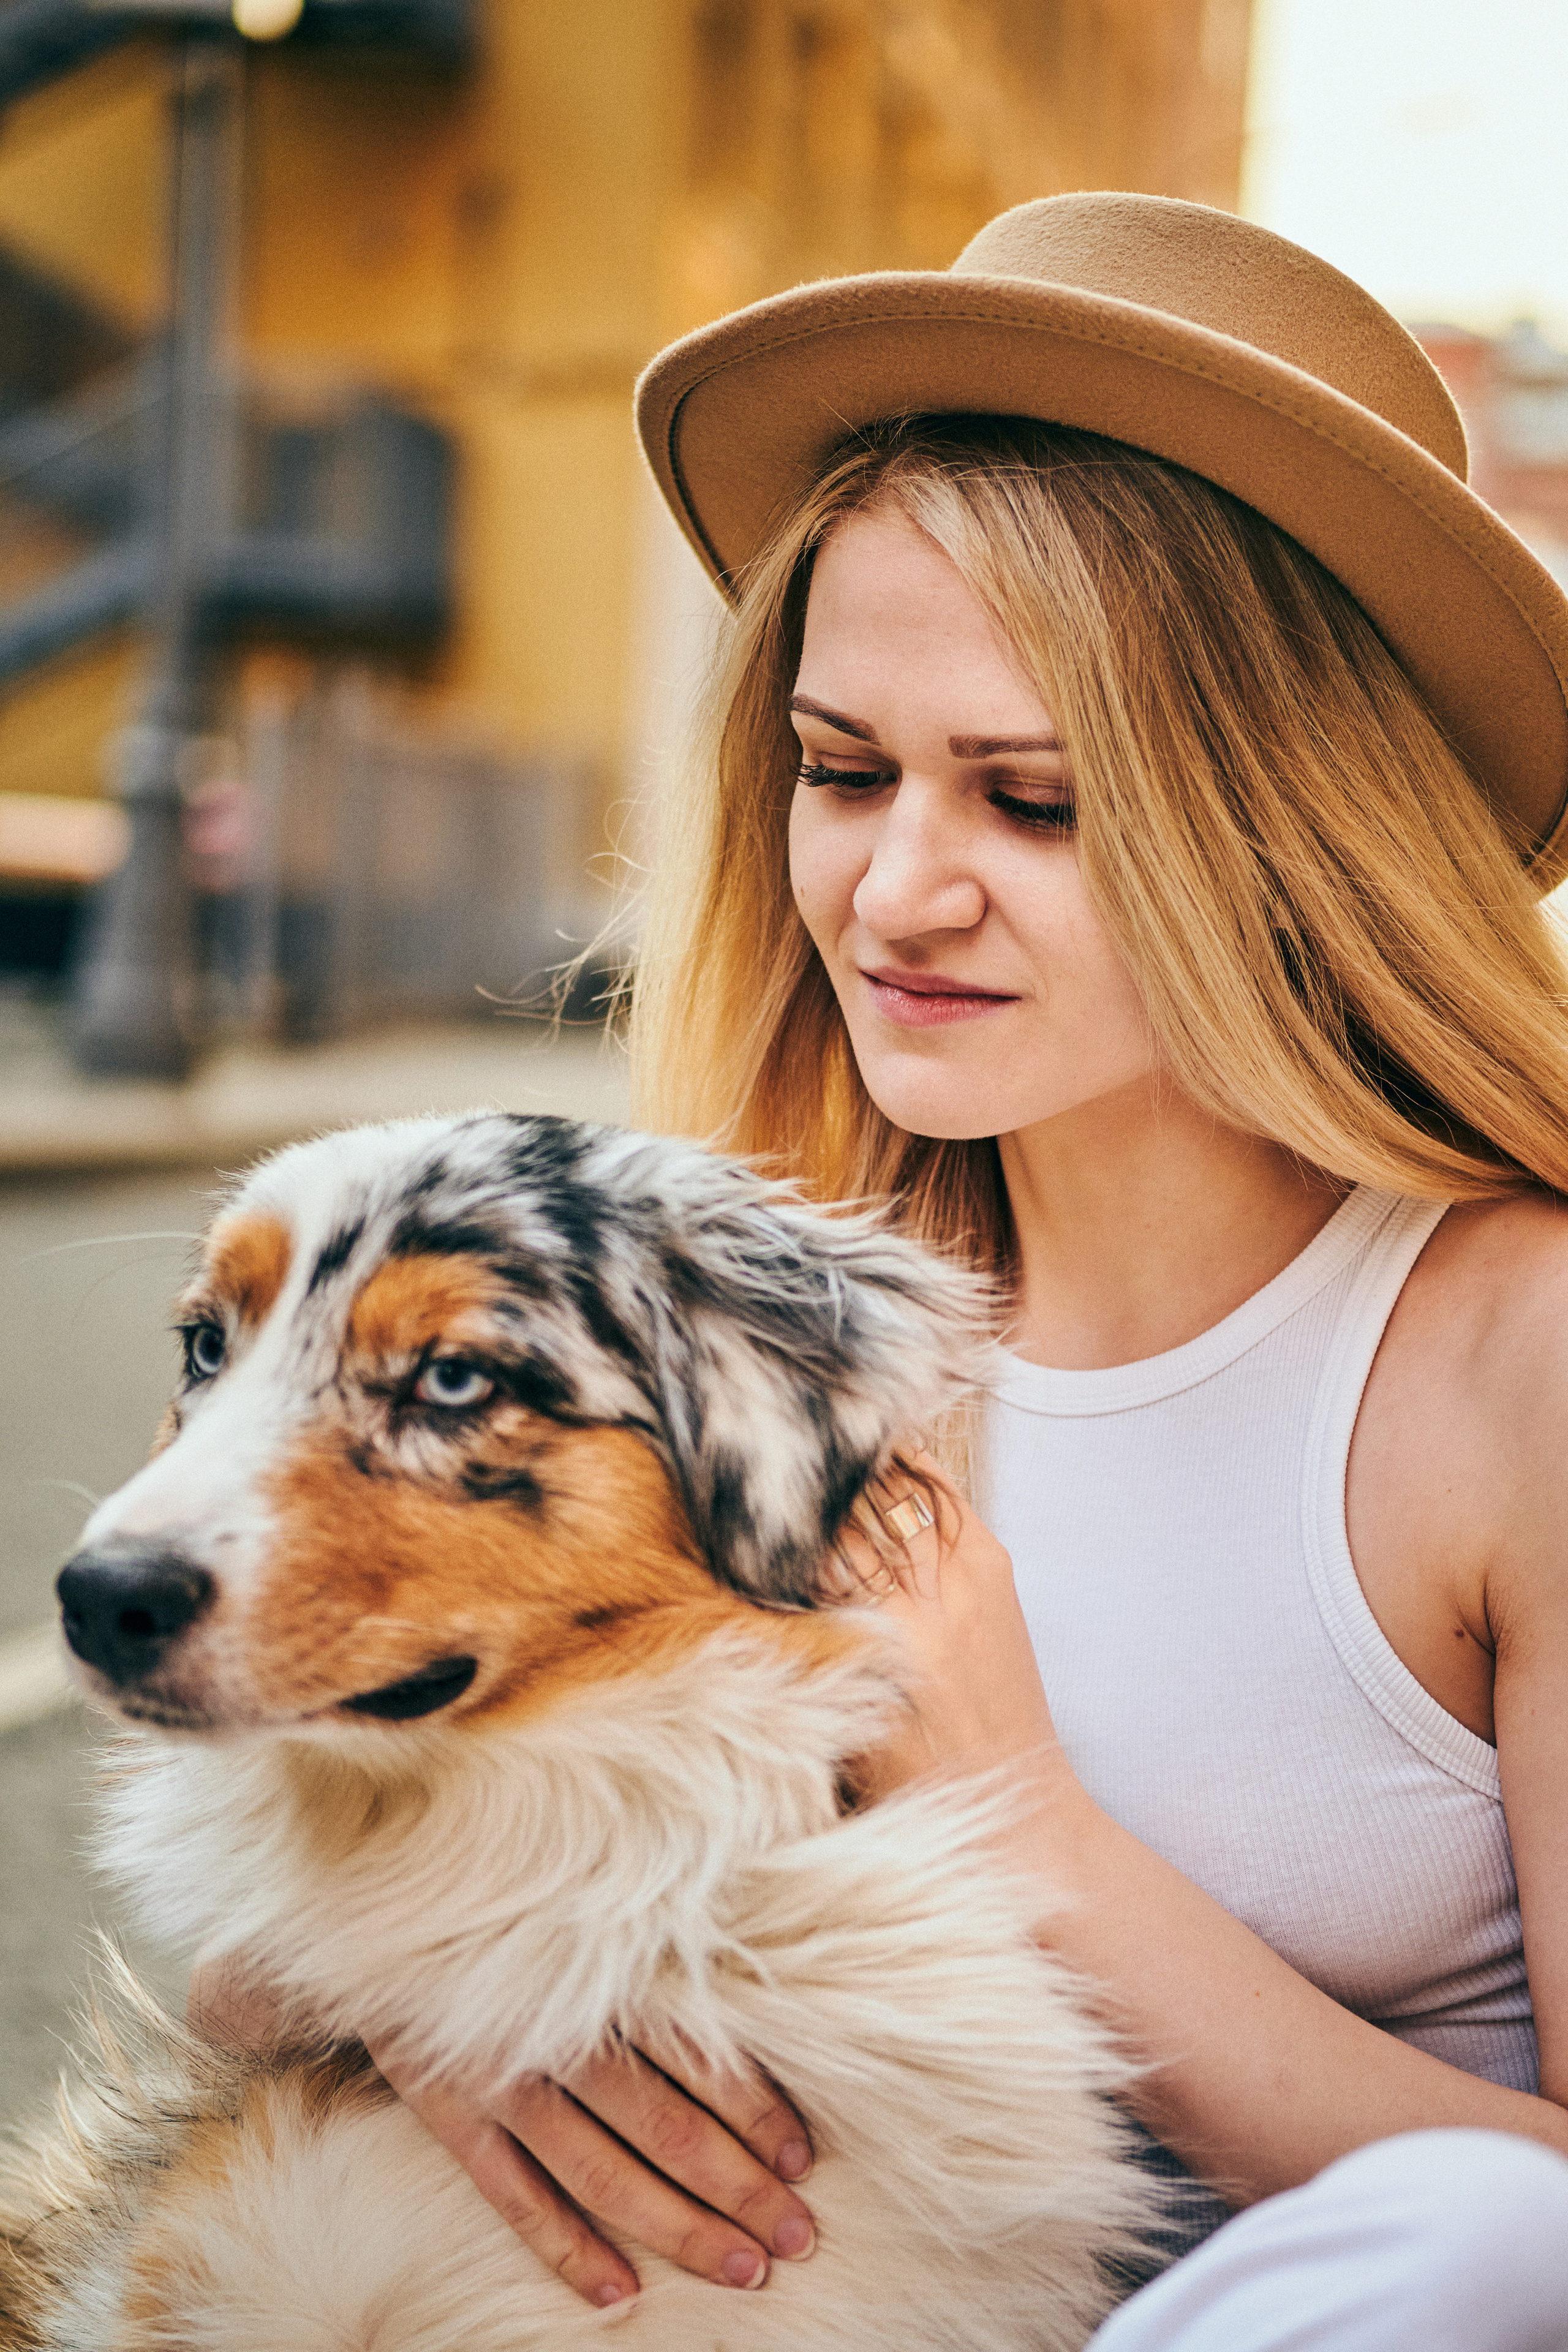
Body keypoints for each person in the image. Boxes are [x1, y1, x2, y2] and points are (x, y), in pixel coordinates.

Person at [201, 196, 1568, 2346]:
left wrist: (1026, 1824)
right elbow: (257, 1924)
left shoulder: (1514, 1356)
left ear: (1292, 834)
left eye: (1034, 802)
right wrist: (449, 2016)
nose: (895, 891)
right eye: (844, 772)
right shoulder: (746, 1318)